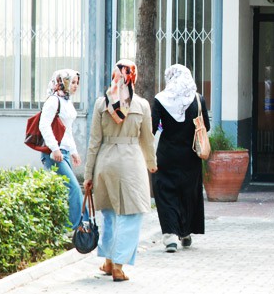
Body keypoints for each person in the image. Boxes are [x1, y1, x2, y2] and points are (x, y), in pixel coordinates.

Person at [83, 59, 157, 282]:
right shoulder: (141, 105)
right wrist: (152, 163)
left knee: (109, 213)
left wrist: (88, 174)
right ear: (133, 76)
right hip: (130, 162)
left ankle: (106, 260)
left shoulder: (100, 104)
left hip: (105, 162)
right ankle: (118, 264)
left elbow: (94, 142)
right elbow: (147, 139)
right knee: (131, 214)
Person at [151, 64, 210, 253]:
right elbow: (206, 126)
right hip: (191, 156)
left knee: (166, 192)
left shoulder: (160, 100)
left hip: (167, 155)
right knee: (187, 192)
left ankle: (169, 236)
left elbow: (152, 128)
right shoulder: (198, 99)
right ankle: (185, 233)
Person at [39, 69, 87, 230]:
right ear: (62, 82)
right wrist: (54, 149)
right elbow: (44, 125)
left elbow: (67, 130)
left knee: (68, 190)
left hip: (64, 151)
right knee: (73, 188)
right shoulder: (53, 101)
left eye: (76, 83)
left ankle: (78, 226)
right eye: (72, 82)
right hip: (54, 154)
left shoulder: (66, 101)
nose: (75, 86)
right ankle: (75, 229)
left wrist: (73, 151)